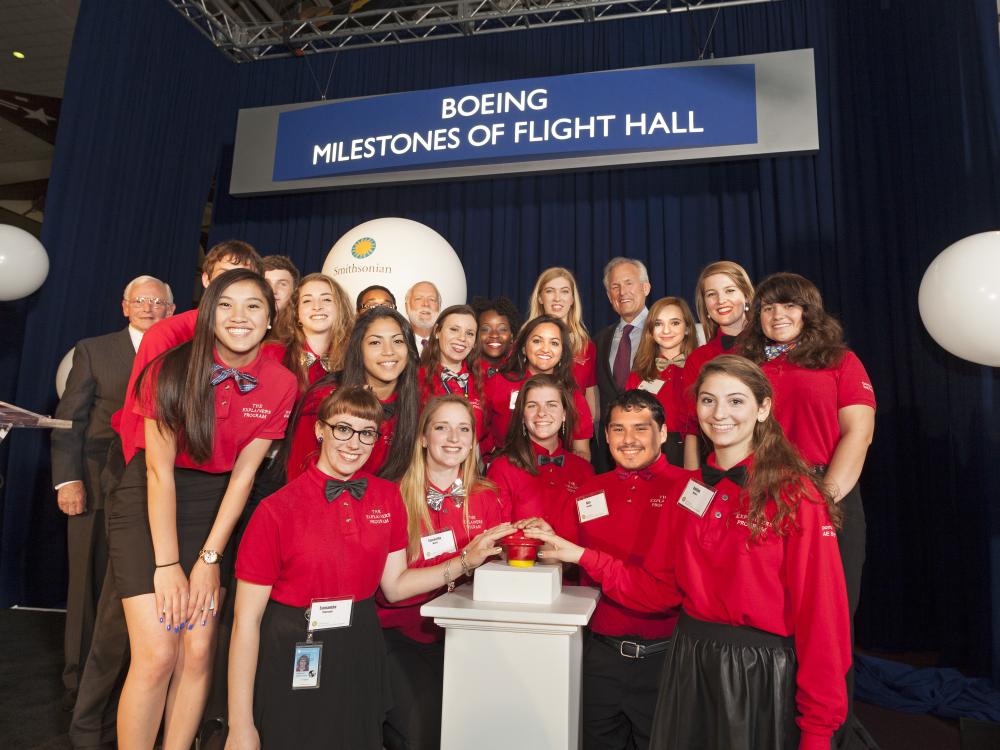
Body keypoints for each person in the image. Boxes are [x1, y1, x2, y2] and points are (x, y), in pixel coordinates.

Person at [528, 356, 851, 750]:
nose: (720, 414)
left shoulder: (796, 494)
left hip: (759, 672)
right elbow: (658, 590)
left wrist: (818, 731)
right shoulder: (690, 492)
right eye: (708, 401)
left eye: (736, 401)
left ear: (763, 407)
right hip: (688, 665)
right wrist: (579, 555)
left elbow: (823, 617)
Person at [226, 387, 513, 749]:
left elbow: (394, 586)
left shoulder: (386, 497)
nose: (354, 443)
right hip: (296, 643)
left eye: (366, 433)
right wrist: (240, 724)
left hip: (361, 641)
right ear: (320, 430)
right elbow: (245, 623)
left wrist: (465, 561)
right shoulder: (275, 510)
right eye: (343, 429)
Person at [70, 241, 263, 750]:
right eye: (226, 280)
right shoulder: (169, 338)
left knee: (194, 651)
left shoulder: (270, 362)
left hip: (210, 501)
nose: (237, 299)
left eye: (249, 284)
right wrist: (165, 552)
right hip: (148, 480)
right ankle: (87, 726)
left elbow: (243, 460)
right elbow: (145, 439)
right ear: (207, 282)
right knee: (138, 636)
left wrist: (206, 556)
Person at [107, 269, 297, 750]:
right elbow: (158, 473)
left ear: (271, 316)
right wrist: (169, 564)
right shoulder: (170, 368)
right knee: (157, 653)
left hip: (217, 508)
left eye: (254, 306)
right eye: (226, 304)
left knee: (197, 652)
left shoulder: (281, 383)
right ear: (208, 313)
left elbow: (243, 477)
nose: (240, 317)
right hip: (151, 499)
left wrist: (209, 561)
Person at [741, 272, 875, 724]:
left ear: (808, 311)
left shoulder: (840, 361)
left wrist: (825, 498)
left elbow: (858, 434)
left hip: (828, 496)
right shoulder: (748, 365)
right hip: (763, 497)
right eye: (768, 307)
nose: (779, 316)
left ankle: (832, 729)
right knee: (773, 617)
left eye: (790, 306)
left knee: (830, 625)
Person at [536, 389, 685, 750]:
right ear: (605, 436)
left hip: (666, 661)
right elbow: (563, 556)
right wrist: (535, 539)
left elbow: (663, 594)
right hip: (599, 658)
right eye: (618, 429)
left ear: (663, 433)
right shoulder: (590, 491)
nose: (628, 440)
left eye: (641, 428)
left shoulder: (689, 490)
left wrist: (581, 556)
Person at [52, 275, 174, 707]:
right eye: (139, 300)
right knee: (87, 580)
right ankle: (78, 676)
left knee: (131, 584)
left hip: (155, 484)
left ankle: (128, 677)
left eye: (157, 301)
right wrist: (68, 480)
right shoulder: (94, 349)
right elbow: (70, 420)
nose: (147, 307)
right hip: (95, 479)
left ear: (171, 310)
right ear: (125, 307)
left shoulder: (182, 354)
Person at [378, 396, 510, 750]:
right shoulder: (393, 496)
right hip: (405, 637)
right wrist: (465, 561)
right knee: (421, 734)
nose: (453, 437)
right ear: (423, 437)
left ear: (472, 440)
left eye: (463, 429)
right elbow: (393, 591)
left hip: (468, 638)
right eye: (442, 427)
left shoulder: (487, 496)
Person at [286, 307, 419, 483]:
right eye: (375, 342)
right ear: (358, 348)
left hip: (380, 506)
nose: (389, 351)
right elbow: (297, 474)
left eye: (398, 341)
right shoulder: (325, 397)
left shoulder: (412, 401)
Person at [486, 374, 594, 526]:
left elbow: (592, 531)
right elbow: (497, 535)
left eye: (551, 405)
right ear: (522, 416)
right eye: (532, 405)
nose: (541, 413)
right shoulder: (502, 468)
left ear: (564, 414)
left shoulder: (584, 471)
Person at [483, 315, 594, 461]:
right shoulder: (497, 382)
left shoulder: (571, 392)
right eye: (537, 341)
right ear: (523, 347)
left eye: (554, 343)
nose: (545, 349)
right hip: (504, 470)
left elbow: (581, 451)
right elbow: (477, 431)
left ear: (562, 352)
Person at [680, 261, 754, 469]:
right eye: (711, 294)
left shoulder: (772, 349)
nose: (721, 300)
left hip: (772, 465)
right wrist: (692, 481)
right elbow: (692, 428)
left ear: (746, 295)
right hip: (718, 469)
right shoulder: (698, 359)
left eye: (730, 290)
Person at [625, 296, 698, 467]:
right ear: (650, 330)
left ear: (687, 328)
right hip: (650, 450)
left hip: (695, 449)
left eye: (674, 323)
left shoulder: (701, 370)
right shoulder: (637, 375)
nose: (666, 330)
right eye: (658, 324)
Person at [593, 258, 651, 472]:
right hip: (611, 457)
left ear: (646, 287)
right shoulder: (599, 341)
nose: (622, 292)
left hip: (657, 451)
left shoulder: (664, 332)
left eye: (629, 283)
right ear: (609, 297)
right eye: (615, 287)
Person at [527, 267, 599, 428]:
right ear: (540, 297)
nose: (557, 298)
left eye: (565, 291)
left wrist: (586, 430)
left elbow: (591, 399)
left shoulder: (586, 345)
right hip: (535, 426)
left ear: (573, 299)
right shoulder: (525, 341)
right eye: (550, 291)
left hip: (575, 431)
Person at [417, 304, 486, 441]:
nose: (462, 338)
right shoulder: (416, 378)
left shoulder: (482, 380)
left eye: (469, 333)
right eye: (454, 329)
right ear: (437, 331)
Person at [278, 273, 354, 391]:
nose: (317, 307)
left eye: (326, 299)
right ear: (296, 312)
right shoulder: (275, 353)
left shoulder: (354, 356)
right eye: (307, 300)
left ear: (340, 308)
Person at [472, 295, 521, 373]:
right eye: (485, 329)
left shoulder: (522, 375)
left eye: (502, 329)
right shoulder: (462, 378)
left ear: (512, 336)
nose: (494, 335)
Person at [405, 280, 442, 355]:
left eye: (432, 299)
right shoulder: (398, 342)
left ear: (439, 307)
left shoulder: (448, 343)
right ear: (407, 307)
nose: (426, 304)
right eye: (418, 298)